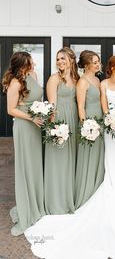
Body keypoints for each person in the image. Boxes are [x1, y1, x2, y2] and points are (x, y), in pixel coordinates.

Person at [24, 55, 115, 259]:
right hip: (108, 128)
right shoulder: (101, 83)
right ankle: (110, 197)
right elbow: (100, 105)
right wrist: (108, 120)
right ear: (113, 68)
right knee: (110, 163)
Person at [2, 51, 45, 235]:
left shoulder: (33, 75)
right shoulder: (15, 82)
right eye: (30, 62)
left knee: (35, 165)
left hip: (36, 125)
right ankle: (26, 209)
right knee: (25, 165)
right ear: (22, 65)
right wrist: (31, 118)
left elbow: (37, 99)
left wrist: (43, 112)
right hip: (24, 126)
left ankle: (36, 204)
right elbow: (11, 110)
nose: (33, 64)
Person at [44, 47, 79, 214]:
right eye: (58, 59)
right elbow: (52, 105)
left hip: (74, 119)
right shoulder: (54, 79)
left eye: (63, 58)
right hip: (60, 121)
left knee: (71, 160)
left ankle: (69, 197)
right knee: (59, 160)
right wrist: (54, 128)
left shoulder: (76, 78)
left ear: (71, 60)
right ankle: (55, 201)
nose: (59, 62)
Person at [75, 50, 104, 208]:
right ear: (86, 65)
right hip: (89, 125)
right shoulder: (83, 82)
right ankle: (85, 195)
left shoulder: (97, 80)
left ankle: (96, 191)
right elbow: (80, 106)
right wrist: (86, 127)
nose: (98, 64)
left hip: (99, 122)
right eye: (95, 62)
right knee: (88, 158)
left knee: (98, 157)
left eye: (98, 61)